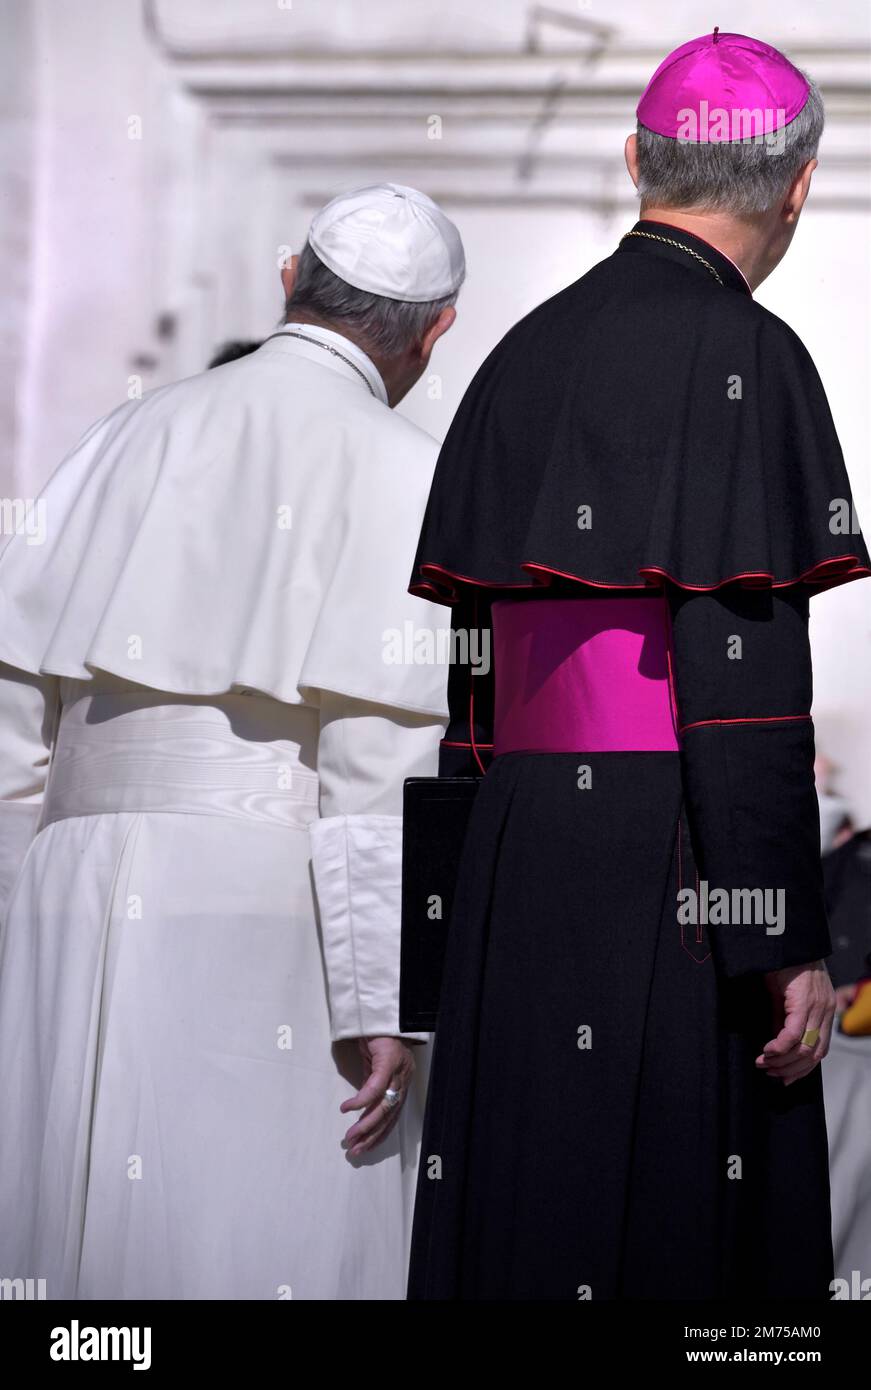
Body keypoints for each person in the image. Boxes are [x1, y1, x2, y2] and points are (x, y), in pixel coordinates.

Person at [405, 32, 870, 1300]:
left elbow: (468, 676)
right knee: (680, 1219)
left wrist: (434, 943)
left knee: (527, 1199)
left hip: (513, 848)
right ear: (797, 185)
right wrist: (780, 933)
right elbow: (742, 672)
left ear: (635, 161)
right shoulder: (753, 356)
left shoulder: (519, 355)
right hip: (674, 853)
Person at [0, 182, 463, 1299]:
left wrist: (27, 893)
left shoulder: (124, 432)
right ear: (437, 330)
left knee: (62, 1232)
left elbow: (16, 717)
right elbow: (375, 763)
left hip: (69, 876)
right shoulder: (407, 468)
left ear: (285, 279)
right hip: (268, 895)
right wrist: (380, 1003)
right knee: (246, 1226)